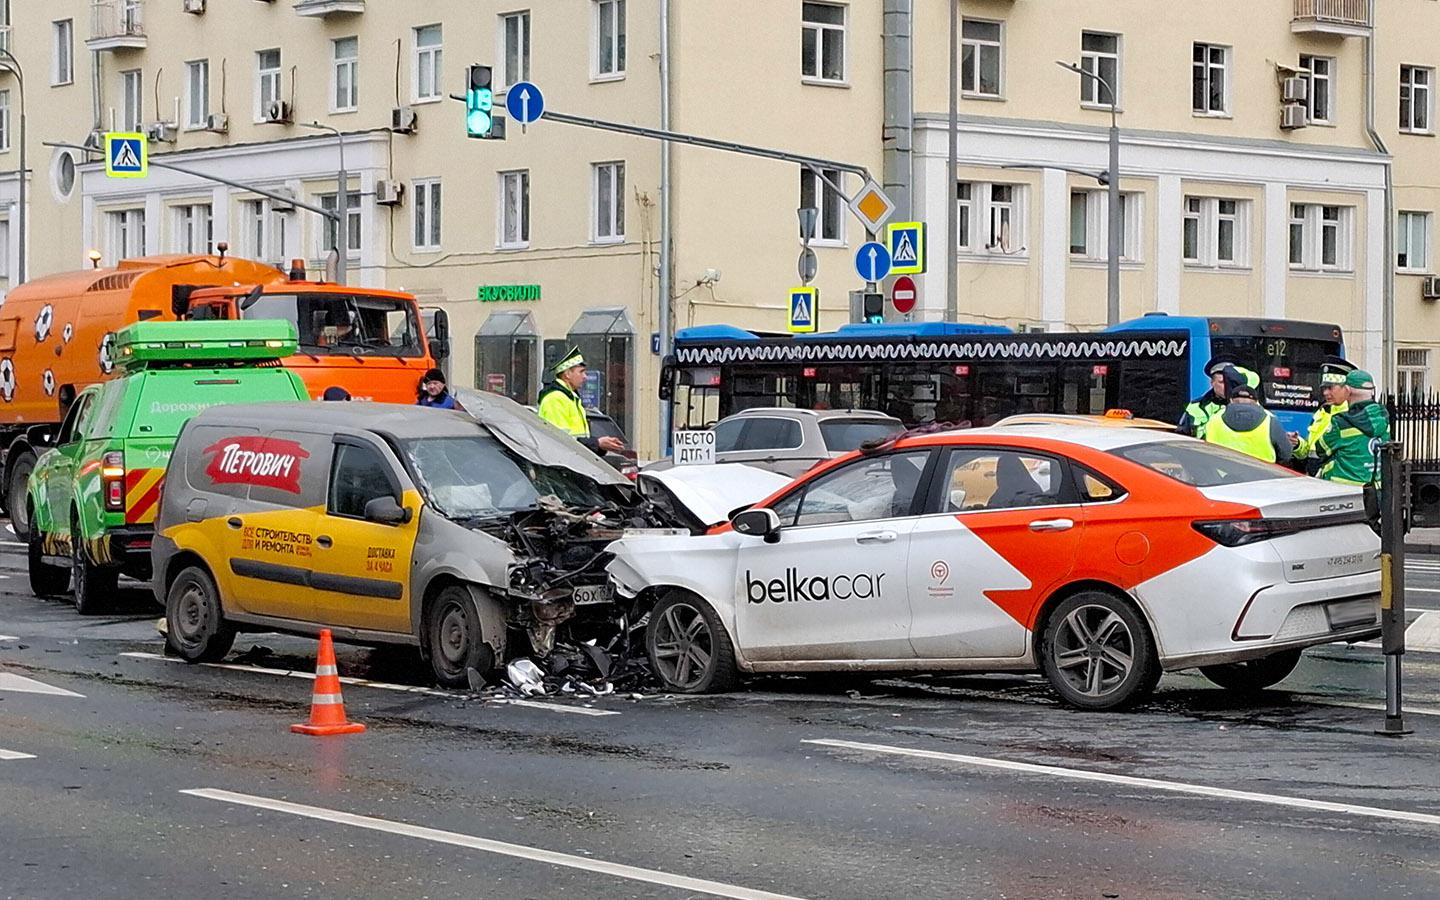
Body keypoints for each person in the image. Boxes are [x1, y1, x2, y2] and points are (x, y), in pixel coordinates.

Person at [536, 347, 625, 455]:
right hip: (563, 465)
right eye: (581, 372)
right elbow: (561, 441)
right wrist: (597, 443)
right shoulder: (554, 399)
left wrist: (599, 444)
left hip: (575, 462)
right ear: (567, 374)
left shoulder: (570, 398)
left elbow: (578, 438)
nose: (585, 377)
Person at [1315, 369, 1391, 486]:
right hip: (1376, 489)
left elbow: (1321, 449)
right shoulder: (1383, 418)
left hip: (1344, 489)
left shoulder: (1341, 422)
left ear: (1347, 390)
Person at [1290, 357, 1353, 474]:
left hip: (1333, 479)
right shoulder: (1322, 412)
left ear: (1346, 388)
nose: (1325, 393)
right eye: (1324, 388)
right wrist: (1297, 443)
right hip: (1315, 478)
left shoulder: (1351, 415)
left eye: (1330, 388)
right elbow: (1307, 451)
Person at [1204, 382, 1293, 464]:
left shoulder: (1214, 419)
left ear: (1231, 400)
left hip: (1221, 476)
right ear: (1256, 401)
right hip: (1262, 476)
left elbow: (1205, 450)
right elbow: (1285, 454)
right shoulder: (1270, 419)